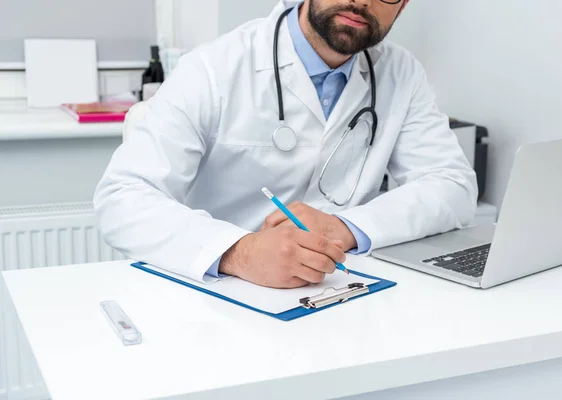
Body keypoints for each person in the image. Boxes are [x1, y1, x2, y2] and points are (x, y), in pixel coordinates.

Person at [93, 0, 478, 289]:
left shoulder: (400, 72)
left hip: (342, 292)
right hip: (221, 295)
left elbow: (454, 185)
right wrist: (238, 252)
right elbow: (122, 197)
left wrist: (345, 227)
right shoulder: (214, 67)